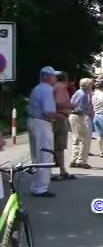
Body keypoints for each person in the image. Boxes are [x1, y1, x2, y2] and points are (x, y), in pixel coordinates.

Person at [27, 66, 61, 197]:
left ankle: (36, 185)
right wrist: (60, 115)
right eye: (53, 76)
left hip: (34, 121)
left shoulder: (37, 88)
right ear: (46, 77)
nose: (55, 78)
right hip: (42, 123)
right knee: (45, 156)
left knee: (36, 156)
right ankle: (41, 188)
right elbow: (48, 112)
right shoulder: (47, 90)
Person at [51, 71, 76, 182]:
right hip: (60, 118)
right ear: (65, 79)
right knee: (59, 147)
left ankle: (59, 170)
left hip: (56, 117)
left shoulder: (53, 87)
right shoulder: (60, 87)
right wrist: (72, 105)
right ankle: (62, 171)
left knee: (55, 145)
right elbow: (60, 102)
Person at [69, 78, 94, 170]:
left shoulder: (78, 92)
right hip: (79, 116)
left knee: (76, 139)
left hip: (73, 116)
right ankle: (81, 161)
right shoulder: (84, 95)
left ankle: (73, 160)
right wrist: (89, 113)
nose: (92, 86)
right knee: (85, 139)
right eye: (91, 85)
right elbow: (81, 109)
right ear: (87, 86)